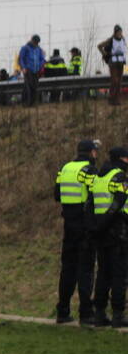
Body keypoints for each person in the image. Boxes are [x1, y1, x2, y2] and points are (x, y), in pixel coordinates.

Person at [53, 139, 99, 324]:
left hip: (69, 225)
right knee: (86, 269)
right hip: (85, 224)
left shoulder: (64, 169)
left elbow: (57, 195)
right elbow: (96, 193)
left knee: (68, 269)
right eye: (95, 152)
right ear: (90, 153)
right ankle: (86, 313)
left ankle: (63, 310)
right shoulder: (88, 170)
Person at [89, 146, 128, 327]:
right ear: (122, 159)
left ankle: (99, 314)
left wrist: (96, 226)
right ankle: (118, 315)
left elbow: (90, 203)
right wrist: (107, 222)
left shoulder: (98, 176)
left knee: (103, 273)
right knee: (119, 274)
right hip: (117, 230)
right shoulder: (119, 176)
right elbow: (119, 202)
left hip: (100, 232)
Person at [98, 25, 126, 105]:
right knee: (114, 81)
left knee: (119, 82)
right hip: (113, 63)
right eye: (118, 32)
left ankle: (117, 100)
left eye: (120, 31)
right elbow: (99, 46)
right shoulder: (110, 40)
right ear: (115, 32)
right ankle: (111, 99)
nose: (120, 33)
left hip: (121, 63)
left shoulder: (123, 40)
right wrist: (105, 54)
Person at [18, 34, 45, 107]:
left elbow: (42, 59)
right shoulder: (25, 48)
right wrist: (23, 68)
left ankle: (33, 103)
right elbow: (21, 59)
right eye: (35, 42)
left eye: (37, 42)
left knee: (35, 87)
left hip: (36, 71)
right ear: (32, 40)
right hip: (28, 70)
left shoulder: (38, 49)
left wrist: (40, 65)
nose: (36, 44)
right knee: (27, 87)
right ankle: (26, 103)